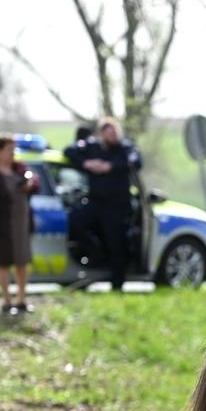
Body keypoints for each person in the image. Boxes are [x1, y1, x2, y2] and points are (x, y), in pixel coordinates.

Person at [63, 117, 142, 291]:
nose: (113, 135)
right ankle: (95, 252)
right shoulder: (92, 147)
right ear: (101, 134)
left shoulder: (125, 148)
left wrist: (110, 166)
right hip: (96, 202)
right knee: (75, 222)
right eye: (109, 132)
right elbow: (69, 150)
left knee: (116, 244)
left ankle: (117, 284)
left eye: (115, 132)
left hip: (117, 206)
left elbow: (136, 161)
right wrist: (86, 163)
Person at [0, 135, 39, 314]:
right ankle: (6, 301)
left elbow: (35, 183)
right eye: (9, 149)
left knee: (22, 261)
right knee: (2, 263)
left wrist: (30, 184)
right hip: (1, 225)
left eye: (14, 149)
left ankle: (21, 299)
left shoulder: (20, 168)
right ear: (0, 151)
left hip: (21, 224)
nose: (12, 153)